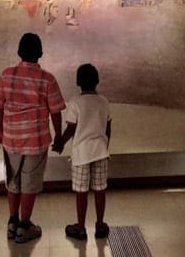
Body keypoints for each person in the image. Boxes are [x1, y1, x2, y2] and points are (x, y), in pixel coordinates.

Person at [0, 33, 66, 243]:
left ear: (18, 53)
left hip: (11, 139)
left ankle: (12, 221)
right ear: (41, 54)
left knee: (13, 181)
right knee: (29, 183)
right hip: (36, 140)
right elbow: (56, 111)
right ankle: (25, 226)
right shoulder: (47, 79)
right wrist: (59, 136)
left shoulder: (6, 75)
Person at [52, 63, 112, 240]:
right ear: (97, 81)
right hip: (100, 152)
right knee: (100, 190)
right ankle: (100, 225)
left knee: (81, 191)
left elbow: (71, 128)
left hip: (81, 154)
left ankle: (80, 227)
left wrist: (60, 143)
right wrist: (104, 145)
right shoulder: (104, 102)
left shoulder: (75, 102)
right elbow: (108, 127)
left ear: (78, 82)